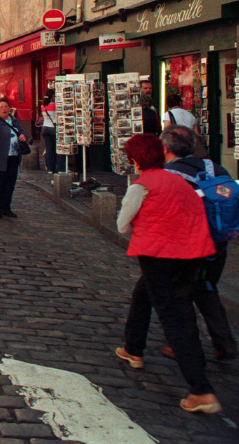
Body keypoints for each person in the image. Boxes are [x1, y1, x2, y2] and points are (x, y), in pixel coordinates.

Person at [114, 133, 220, 414]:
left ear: (135, 160)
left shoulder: (142, 185)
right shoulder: (179, 181)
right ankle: (133, 347)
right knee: (142, 294)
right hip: (193, 253)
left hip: (159, 253)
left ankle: (201, 389)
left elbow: (123, 225)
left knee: (171, 316)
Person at [160, 125, 237, 361]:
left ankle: (185, 345)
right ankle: (225, 343)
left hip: (190, 243)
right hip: (218, 243)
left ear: (165, 148)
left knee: (180, 291)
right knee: (206, 288)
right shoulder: (215, 167)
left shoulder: (170, 175)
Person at [0, 97, 29, 220]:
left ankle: (6, 208)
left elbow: (22, 132)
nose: (4, 109)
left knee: (10, 184)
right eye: (1, 107)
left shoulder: (14, 121)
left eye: (6, 107)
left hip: (13, 158)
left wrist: (23, 136)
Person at [40, 92, 63, 174]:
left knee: (49, 149)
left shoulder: (42, 106)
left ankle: (50, 168)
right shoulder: (55, 105)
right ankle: (61, 168)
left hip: (45, 128)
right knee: (59, 149)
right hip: (53, 128)